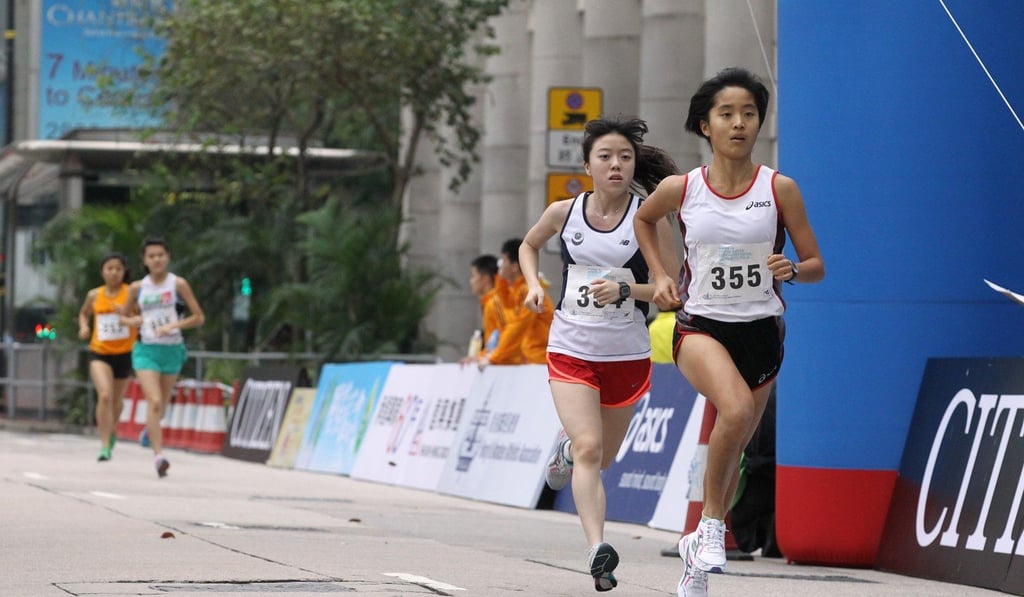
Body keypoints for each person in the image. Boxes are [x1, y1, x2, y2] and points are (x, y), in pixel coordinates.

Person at [633, 67, 824, 597]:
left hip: (761, 332)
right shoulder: (683, 188)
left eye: (749, 113)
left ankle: (695, 563)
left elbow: (816, 265)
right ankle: (714, 526)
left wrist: (793, 269)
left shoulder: (779, 188)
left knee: (735, 441)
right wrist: (664, 274)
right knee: (736, 412)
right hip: (700, 326)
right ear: (704, 126)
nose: (739, 123)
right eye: (726, 114)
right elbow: (644, 222)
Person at [520, 116, 680, 592]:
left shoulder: (647, 219)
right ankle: (597, 550)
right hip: (571, 345)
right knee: (592, 449)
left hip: (627, 354)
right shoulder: (562, 213)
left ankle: (566, 450)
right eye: (606, 156)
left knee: (600, 455)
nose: (616, 165)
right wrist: (532, 285)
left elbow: (671, 293)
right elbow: (530, 246)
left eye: (625, 157)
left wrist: (628, 289)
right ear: (587, 163)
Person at [120, 236, 206, 478]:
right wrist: (133, 320)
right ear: (144, 261)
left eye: (160, 255)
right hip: (146, 350)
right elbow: (123, 317)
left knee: (163, 406)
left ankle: (150, 431)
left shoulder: (178, 284)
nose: (157, 259)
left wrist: (174, 325)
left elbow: (199, 317)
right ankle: (159, 456)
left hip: (172, 350)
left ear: (167, 257)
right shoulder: (138, 288)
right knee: (154, 401)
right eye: (151, 256)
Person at [77, 252, 139, 462]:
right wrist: (84, 327)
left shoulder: (130, 292)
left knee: (116, 400)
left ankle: (111, 430)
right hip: (99, 352)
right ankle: (104, 444)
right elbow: (84, 313)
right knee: (104, 395)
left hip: (124, 352)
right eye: (109, 268)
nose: (113, 273)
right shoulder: (94, 295)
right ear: (102, 271)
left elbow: (143, 318)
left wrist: (128, 314)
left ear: (124, 272)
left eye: (118, 269)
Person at [479, 238, 553, 367]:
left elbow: (517, 327)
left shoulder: (528, 291)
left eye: (504, 260)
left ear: (514, 266)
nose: (500, 264)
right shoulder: (515, 291)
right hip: (529, 360)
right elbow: (508, 324)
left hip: (539, 360)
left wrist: (494, 357)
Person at [460, 254, 506, 365]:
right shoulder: (489, 302)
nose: (471, 281)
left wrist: (485, 357)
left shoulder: (495, 302)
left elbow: (504, 334)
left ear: (485, 278)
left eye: (473, 276)